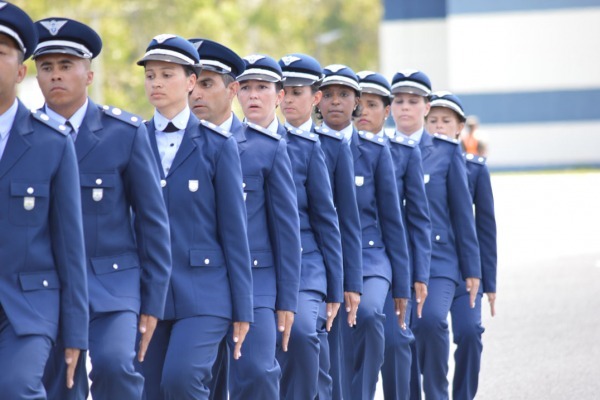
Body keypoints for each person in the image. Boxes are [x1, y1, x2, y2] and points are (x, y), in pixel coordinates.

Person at [33, 18, 172, 400]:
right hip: (49, 285)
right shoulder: (23, 136)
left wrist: (152, 300)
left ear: (89, 74)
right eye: (46, 67)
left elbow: (152, 222)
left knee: (115, 367)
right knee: (60, 382)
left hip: (113, 283)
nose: (55, 76)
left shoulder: (123, 133)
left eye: (66, 66)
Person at [137, 34, 253, 400]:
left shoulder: (219, 147)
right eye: (151, 74)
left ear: (190, 81)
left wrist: (243, 309)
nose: (156, 82)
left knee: (182, 382)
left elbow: (235, 232)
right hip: (145, 292)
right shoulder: (128, 139)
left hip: (206, 292)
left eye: (167, 74)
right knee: (148, 390)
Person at [0, 3, 88, 398]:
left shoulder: (51, 142)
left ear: (20, 72)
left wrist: (76, 332)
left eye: (0, 53)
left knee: (16, 388)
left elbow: (70, 246)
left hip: (27, 306)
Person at [320, 64, 410, 400]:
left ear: (356, 101)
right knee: (333, 331)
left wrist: (401, 284)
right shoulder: (306, 147)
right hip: (326, 257)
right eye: (327, 94)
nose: (335, 102)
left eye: (344, 95)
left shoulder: (374, 152)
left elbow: (393, 222)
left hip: (371, 256)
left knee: (370, 313)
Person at [389, 70, 481, 400]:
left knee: (429, 322)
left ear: (426, 107)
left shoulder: (445, 151)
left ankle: (438, 393)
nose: (404, 108)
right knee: (401, 334)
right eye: (398, 101)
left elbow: (462, 215)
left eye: (413, 101)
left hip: (439, 257)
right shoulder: (380, 149)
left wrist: (472, 270)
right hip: (394, 258)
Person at [279, 53, 363, 400]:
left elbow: (341, 222)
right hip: (268, 265)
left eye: (296, 92)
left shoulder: (328, 148)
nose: (286, 98)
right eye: (281, 90)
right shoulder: (252, 143)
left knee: (306, 338)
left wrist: (345, 282)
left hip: (312, 264)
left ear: (314, 97)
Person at [354, 71, 432, 400]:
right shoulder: (331, 148)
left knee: (398, 340)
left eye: (372, 105)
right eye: (358, 104)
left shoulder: (401, 152)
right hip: (347, 260)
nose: (362, 112)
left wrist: (417, 276)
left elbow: (416, 220)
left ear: (386, 111)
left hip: (388, 259)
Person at [232, 53, 303, 399]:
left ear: (280, 96)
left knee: (273, 360)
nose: (253, 96)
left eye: (262, 87)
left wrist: (288, 298)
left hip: (278, 271)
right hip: (226, 272)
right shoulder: (220, 142)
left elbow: (299, 228)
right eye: (246, 87)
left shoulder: (298, 147)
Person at [425, 91, 497, 400]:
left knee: (470, 334)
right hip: (433, 267)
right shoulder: (411, 163)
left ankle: (464, 395)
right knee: (430, 328)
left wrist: (489, 282)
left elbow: (486, 229)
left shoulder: (474, 168)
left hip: (466, 268)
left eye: (446, 121)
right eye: (433, 121)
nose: (438, 127)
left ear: (459, 127)